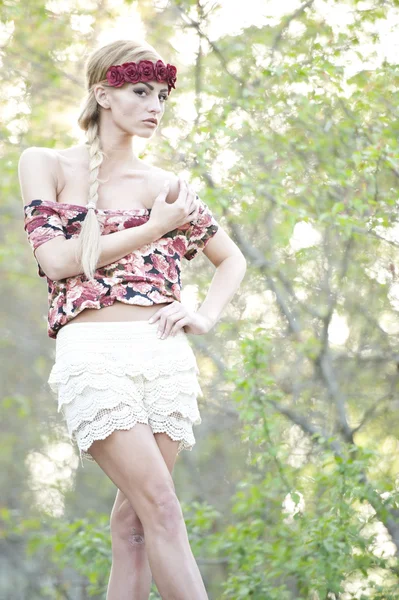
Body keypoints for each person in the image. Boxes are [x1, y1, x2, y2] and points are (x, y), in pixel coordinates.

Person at [19, 39, 247, 600]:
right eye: (140, 92)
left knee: (135, 526)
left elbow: (231, 260)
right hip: (94, 357)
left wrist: (204, 315)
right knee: (163, 507)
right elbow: (56, 260)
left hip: (163, 356)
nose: (155, 106)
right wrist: (154, 227)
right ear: (103, 94)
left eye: (162, 96)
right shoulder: (45, 164)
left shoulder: (166, 186)